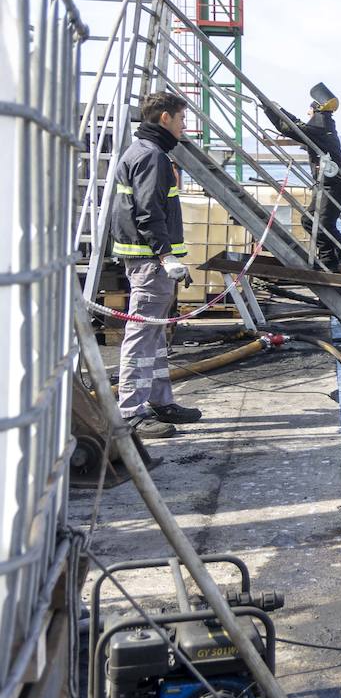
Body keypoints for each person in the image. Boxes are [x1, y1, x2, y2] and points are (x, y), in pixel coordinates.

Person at [109, 91, 204, 438]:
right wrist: (166, 257)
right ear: (164, 117)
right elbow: (150, 213)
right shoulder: (152, 158)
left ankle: (161, 401)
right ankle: (131, 413)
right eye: (181, 119)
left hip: (147, 260)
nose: (184, 126)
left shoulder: (142, 152)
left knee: (155, 333)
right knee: (141, 335)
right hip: (150, 262)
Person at [261, 83, 341, 289]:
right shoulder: (323, 125)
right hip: (330, 184)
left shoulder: (320, 125)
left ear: (316, 109)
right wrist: (277, 109)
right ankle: (335, 263)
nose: (307, 114)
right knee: (310, 221)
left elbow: (289, 126)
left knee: (322, 226)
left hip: (334, 185)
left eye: (310, 110)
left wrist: (269, 108)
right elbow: (297, 126)